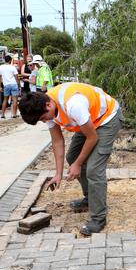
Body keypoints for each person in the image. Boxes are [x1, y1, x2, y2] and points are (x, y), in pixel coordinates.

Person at [18, 82, 123, 236]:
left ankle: (98, 218)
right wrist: (58, 174)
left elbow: (92, 138)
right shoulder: (47, 106)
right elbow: (57, 141)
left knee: (94, 169)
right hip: (88, 121)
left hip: (107, 118)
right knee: (72, 156)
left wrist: (78, 164)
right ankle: (90, 198)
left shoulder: (73, 104)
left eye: (42, 118)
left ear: (48, 105)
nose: (44, 121)